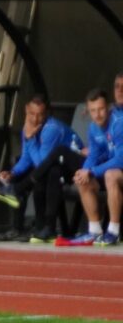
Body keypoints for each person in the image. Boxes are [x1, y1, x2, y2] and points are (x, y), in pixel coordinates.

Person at [0, 94, 84, 243]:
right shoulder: (29, 127)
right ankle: (16, 228)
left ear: (47, 113)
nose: (35, 119)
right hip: (51, 166)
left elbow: (41, 163)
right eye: (32, 114)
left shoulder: (51, 128)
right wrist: (12, 173)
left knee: (45, 173)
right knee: (18, 174)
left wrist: (30, 138)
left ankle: (40, 225)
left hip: (73, 168)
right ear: (26, 109)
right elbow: (27, 158)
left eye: (40, 115)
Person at [62, 89, 123, 246]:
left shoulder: (119, 123)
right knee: (83, 179)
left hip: (119, 168)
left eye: (101, 109)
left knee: (110, 174)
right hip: (114, 169)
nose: (97, 115)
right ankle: (94, 231)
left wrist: (92, 171)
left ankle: (114, 231)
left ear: (108, 108)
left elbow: (120, 159)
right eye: (93, 111)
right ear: (89, 111)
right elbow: (93, 156)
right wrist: (84, 171)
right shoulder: (93, 127)